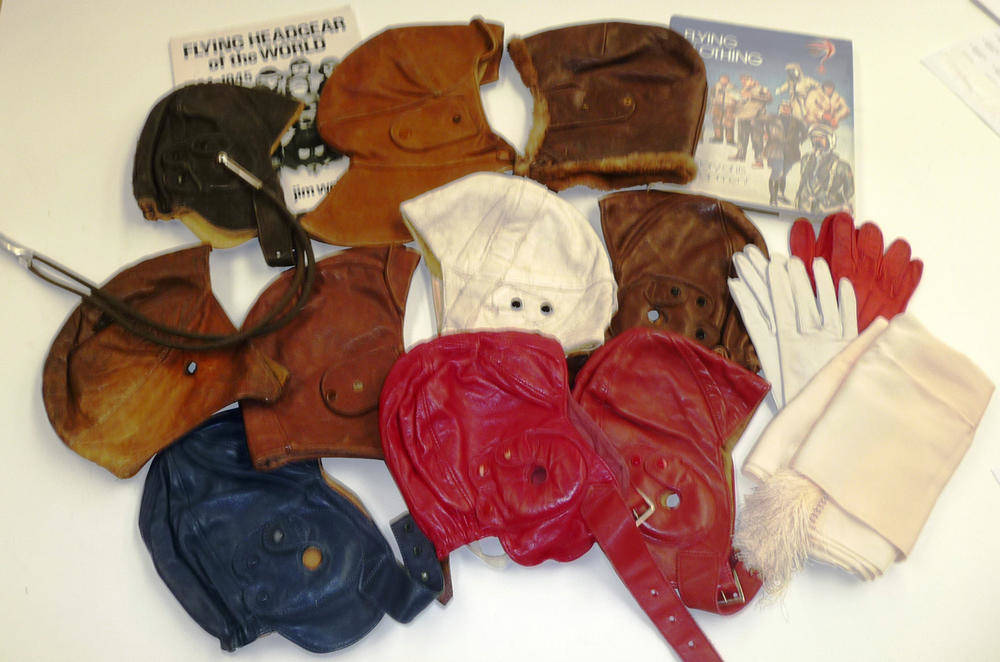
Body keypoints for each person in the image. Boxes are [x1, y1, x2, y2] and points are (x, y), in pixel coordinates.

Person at [795, 123, 854, 214]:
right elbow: (803, 182)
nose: (817, 140)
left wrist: (840, 204)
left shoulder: (842, 166)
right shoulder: (805, 160)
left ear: (830, 140)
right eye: (814, 137)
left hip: (828, 210)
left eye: (821, 137)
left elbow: (849, 192)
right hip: (804, 208)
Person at [762, 102, 808, 206]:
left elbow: (805, 132)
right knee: (776, 172)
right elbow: (763, 126)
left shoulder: (796, 121)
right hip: (775, 149)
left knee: (784, 174)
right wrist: (766, 134)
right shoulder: (772, 119)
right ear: (779, 108)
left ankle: (780, 195)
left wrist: (799, 140)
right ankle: (773, 198)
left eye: (788, 107)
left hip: (791, 150)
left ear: (791, 109)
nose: (785, 109)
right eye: (783, 107)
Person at [730, 74, 772, 167]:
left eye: (746, 80)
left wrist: (753, 96)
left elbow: (769, 99)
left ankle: (759, 160)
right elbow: (741, 102)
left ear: (751, 80)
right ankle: (740, 155)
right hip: (743, 117)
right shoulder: (743, 90)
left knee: (757, 139)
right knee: (741, 138)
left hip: (756, 118)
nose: (744, 82)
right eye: (742, 80)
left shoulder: (761, 88)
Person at [708, 74, 738, 144]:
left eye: (725, 79)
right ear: (720, 79)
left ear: (728, 80)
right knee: (717, 122)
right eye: (722, 79)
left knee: (729, 123)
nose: (724, 80)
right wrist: (713, 102)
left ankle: (730, 140)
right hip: (718, 106)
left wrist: (734, 105)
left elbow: (737, 97)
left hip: (729, 107)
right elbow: (711, 96)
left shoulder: (733, 87)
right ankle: (718, 137)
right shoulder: (715, 86)